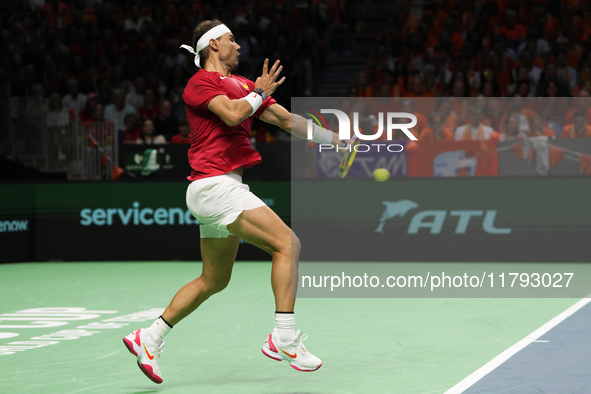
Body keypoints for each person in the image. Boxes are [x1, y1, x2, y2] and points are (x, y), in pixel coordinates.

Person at [123, 20, 342, 384]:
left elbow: (285, 120)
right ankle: (283, 338)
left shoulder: (242, 85)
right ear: (213, 46)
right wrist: (257, 91)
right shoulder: (201, 83)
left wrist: (331, 138)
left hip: (217, 189)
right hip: (215, 186)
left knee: (214, 279)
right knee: (288, 245)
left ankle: (148, 338)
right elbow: (232, 113)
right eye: (231, 40)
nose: (238, 46)